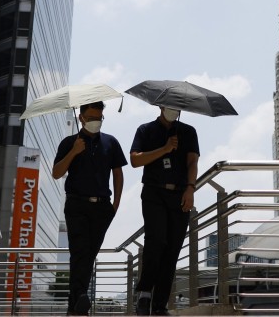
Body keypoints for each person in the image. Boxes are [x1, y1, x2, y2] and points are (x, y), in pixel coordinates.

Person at [52, 101, 126, 316]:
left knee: (88, 254)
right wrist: (74, 151)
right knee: (79, 251)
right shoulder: (69, 142)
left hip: (102, 207)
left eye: (99, 117)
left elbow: (118, 173)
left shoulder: (111, 142)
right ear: (81, 117)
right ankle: (80, 297)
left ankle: (76, 300)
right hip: (76, 204)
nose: (96, 121)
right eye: (92, 117)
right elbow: (57, 173)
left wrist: (116, 204)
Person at [129, 106, 199, 316]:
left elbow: (193, 162)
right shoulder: (146, 130)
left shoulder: (188, 131)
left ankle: (160, 304)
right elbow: (135, 160)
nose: (173, 110)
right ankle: (144, 293)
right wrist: (165, 148)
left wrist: (190, 188)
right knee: (156, 242)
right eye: (169, 105)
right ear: (160, 106)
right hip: (153, 193)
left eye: (177, 106)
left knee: (172, 250)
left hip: (179, 195)